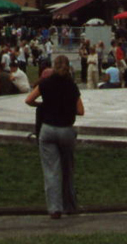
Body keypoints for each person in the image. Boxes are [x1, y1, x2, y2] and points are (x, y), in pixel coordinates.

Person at [25, 54, 83, 218]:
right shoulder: (71, 85)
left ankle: (54, 208)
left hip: (48, 129)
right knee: (67, 169)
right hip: (66, 129)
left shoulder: (45, 83)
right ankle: (70, 206)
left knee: (51, 171)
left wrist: (42, 105)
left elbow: (28, 99)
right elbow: (81, 111)